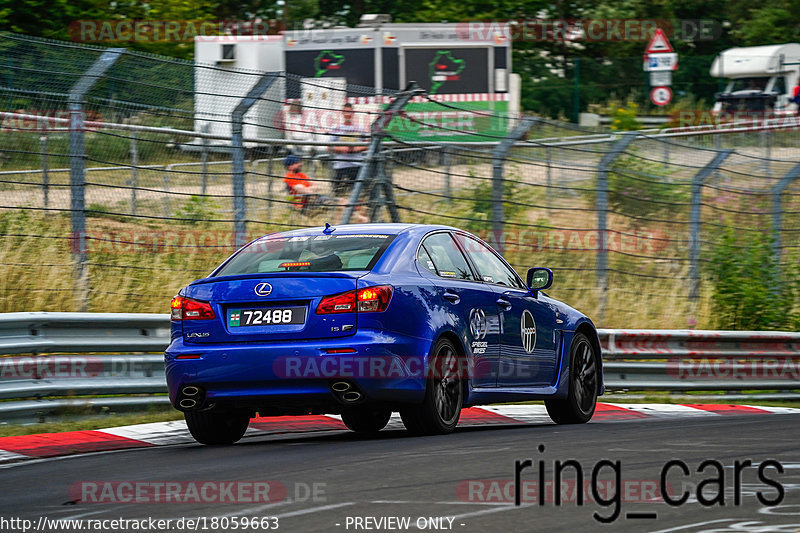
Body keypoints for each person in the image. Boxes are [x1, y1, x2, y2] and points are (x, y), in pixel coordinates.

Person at [329, 103, 368, 196]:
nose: (348, 114)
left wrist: (356, 149)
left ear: (353, 113)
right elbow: (329, 147)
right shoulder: (336, 129)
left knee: (359, 193)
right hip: (340, 166)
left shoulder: (359, 128)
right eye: (346, 112)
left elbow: (368, 144)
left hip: (356, 165)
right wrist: (341, 148)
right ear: (342, 113)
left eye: (350, 112)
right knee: (338, 193)